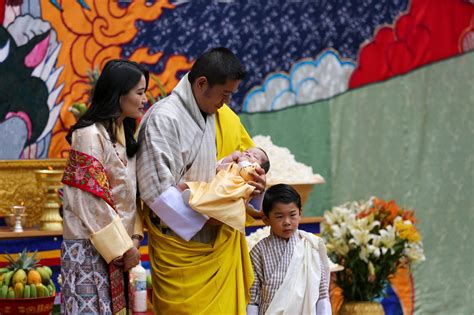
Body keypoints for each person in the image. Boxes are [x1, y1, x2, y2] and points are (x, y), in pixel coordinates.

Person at [136, 47, 266, 314]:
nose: (226, 102)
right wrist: (218, 212)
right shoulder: (164, 118)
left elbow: (201, 174)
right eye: (225, 94)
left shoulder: (210, 113)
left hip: (218, 240)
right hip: (182, 252)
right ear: (202, 83)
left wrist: (240, 177)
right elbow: (157, 194)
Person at [61, 59, 148, 315]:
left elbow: (132, 198)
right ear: (118, 94)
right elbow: (89, 198)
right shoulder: (89, 135)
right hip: (89, 248)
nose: (144, 99)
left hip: (118, 251)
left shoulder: (122, 135)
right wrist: (123, 248)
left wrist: (133, 241)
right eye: (140, 93)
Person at [248, 184, 332, 315]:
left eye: (292, 215)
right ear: (266, 219)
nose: (287, 222)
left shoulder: (310, 246)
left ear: (300, 214)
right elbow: (253, 297)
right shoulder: (258, 252)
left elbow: (322, 293)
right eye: (279, 216)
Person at [180, 147, 270, 233]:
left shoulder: (254, 170)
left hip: (233, 193)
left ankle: (203, 214)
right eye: (247, 151)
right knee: (197, 188)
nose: (248, 153)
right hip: (218, 185)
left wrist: (243, 162)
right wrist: (229, 158)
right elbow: (218, 168)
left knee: (221, 213)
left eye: (255, 156)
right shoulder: (234, 164)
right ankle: (192, 197)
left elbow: (248, 174)